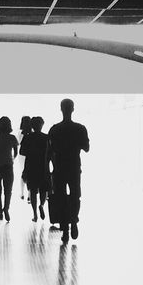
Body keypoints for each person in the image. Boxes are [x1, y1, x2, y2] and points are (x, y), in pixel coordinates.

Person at [47, 98, 90, 244]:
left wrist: (47, 171)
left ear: (61, 109)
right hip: (74, 167)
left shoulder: (54, 129)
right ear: (72, 109)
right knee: (75, 196)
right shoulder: (80, 128)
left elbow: (48, 152)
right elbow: (87, 148)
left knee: (61, 198)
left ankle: (65, 229)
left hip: (59, 168)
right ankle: (74, 221)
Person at [19, 116, 50, 222]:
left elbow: (21, 152)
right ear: (42, 125)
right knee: (43, 189)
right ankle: (41, 205)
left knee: (32, 190)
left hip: (31, 166)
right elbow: (51, 153)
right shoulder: (46, 137)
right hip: (43, 166)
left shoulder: (28, 137)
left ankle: (35, 214)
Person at [18, 115, 32, 199]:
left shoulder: (20, 132)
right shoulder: (32, 131)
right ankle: (30, 194)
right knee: (30, 173)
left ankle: (22, 193)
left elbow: (18, 143)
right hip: (31, 154)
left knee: (23, 173)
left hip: (22, 155)